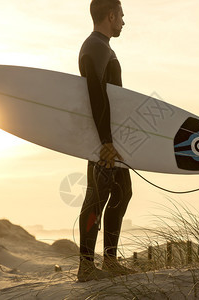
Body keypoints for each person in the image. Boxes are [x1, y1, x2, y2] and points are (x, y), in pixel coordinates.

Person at [77, 0, 134, 282]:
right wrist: (105, 142)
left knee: (122, 192)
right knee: (96, 197)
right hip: (103, 140)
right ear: (110, 15)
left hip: (110, 138)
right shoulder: (95, 47)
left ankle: (109, 261)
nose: (124, 21)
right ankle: (86, 266)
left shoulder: (101, 47)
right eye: (121, 15)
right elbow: (96, 93)